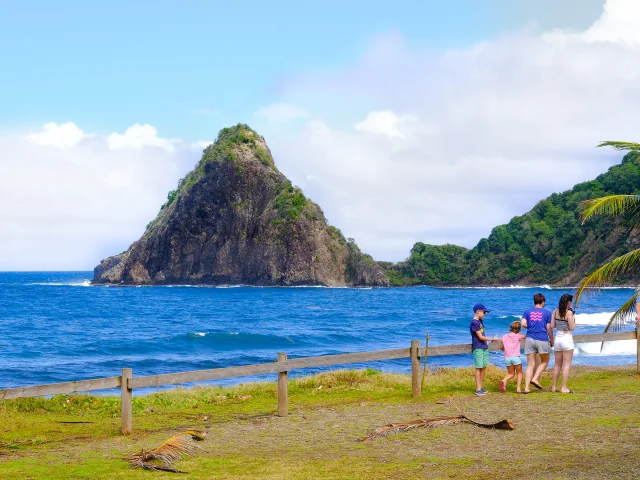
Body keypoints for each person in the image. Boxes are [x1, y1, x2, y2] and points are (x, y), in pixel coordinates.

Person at [521, 293, 553, 394]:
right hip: (542, 338)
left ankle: (526, 388)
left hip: (530, 338)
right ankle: (535, 378)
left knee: (530, 364)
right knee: (545, 361)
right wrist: (552, 339)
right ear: (542, 302)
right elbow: (548, 327)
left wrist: (530, 327)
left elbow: (522, 324)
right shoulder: (547, 313)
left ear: (534, 302)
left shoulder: (527, 311)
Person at [470, 303, 499, 396]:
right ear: (478, 311)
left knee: (483, 367)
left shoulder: (480, 321)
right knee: (478, 367)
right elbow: (480, 337)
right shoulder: (474, 322)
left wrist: (488, 341)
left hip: (484, 347)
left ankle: (480, 386)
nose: (485, 314)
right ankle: (477, 388)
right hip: (478, 347)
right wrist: (492, 339)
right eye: (484, 312)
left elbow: (483, 335)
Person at [551, 294, 576, 393]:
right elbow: (572, 328)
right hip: (566, 338)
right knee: (566, 365)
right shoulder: (569, 313)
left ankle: (553, 387)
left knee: (557, 364)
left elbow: (552, 325)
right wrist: (573, 318)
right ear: (568, 302)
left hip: (558, 338)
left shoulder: (555, 311)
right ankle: (564, 387)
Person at [498, 321, 526, 393]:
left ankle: (504, 381)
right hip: (516, 357)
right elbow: (526, 336)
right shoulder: (518, 335)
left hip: (507, 358)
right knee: (519, 373)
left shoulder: (504, 336)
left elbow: (501, 347)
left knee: (511, 374)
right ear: (519, 329)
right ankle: (518, 389)